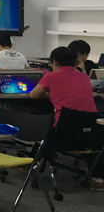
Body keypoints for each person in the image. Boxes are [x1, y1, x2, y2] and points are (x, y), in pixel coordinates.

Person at [30, 46, 103, 190]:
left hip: (64, 135)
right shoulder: (84, 77)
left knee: (45, 130)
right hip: (92, 135)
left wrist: (50, 93)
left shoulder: (51, 76)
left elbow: (34, 95)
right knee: (81, 126)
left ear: (54, 62)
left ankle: (30, 165)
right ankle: (98, 179)